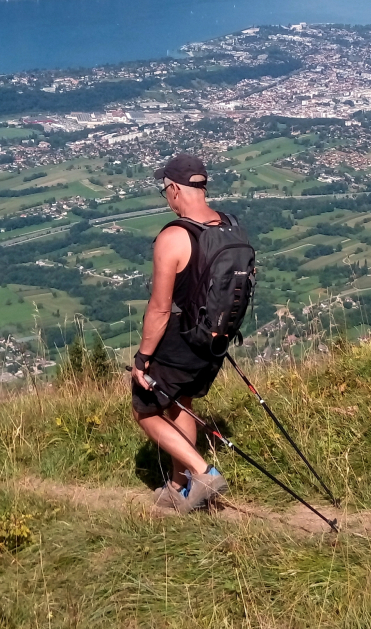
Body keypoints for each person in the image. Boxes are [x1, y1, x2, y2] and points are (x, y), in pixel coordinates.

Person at [130, 153, 233, 514]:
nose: (167, 198)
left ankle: (203, 472)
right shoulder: (229, 225)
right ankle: (179, 488)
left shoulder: (175, 236)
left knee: (145, 411)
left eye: (165, 191)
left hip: (183, 338)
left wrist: (142, 359)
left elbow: (159, 308)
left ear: (174, 189)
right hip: (217, 339)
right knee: (180, 404)